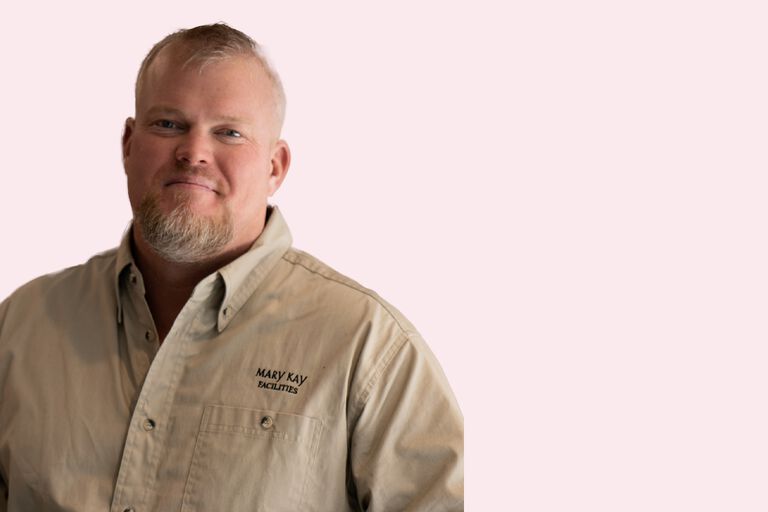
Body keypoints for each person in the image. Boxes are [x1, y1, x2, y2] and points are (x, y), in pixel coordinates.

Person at [0, 23, 463, 511]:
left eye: (229, 132)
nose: (194, 152)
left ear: (275, 167)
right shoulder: (22, 327)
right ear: (128, 144)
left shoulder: (368, 349)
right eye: (169, 124)